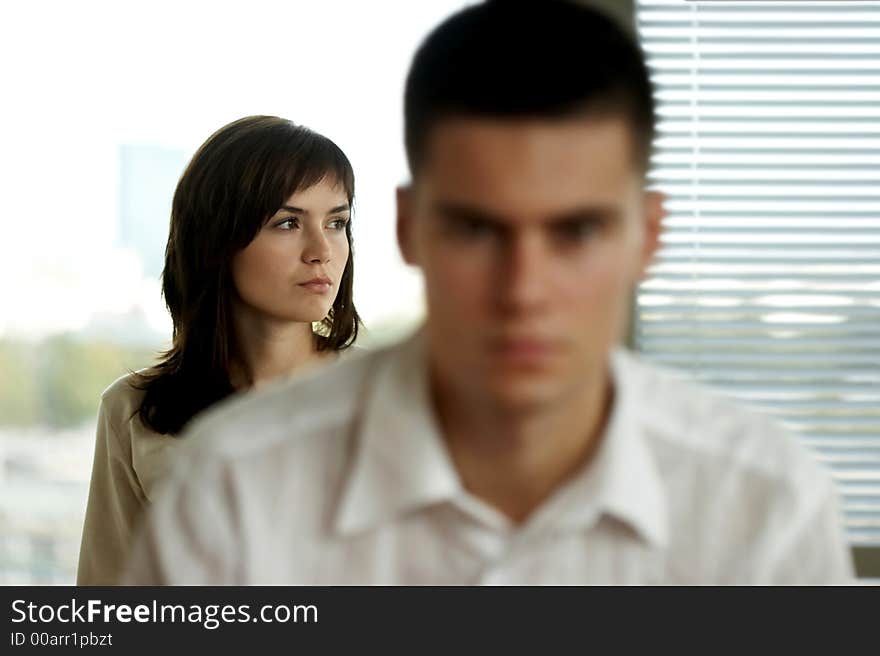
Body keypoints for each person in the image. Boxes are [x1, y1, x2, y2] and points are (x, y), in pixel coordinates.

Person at [125, 1, 853, 584]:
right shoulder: (233, 487)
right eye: (477, 229)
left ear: (649, 237)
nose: (524, 290)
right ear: (410, 229)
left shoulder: (766, 506)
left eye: (577, 232)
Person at [77, 116, 360, 585]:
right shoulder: (131, 410)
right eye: (288, 222)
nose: (322, 251)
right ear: (217, 240)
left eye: (337, 222)